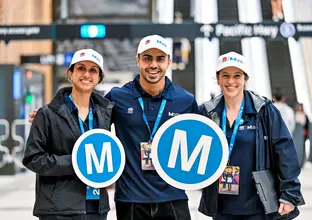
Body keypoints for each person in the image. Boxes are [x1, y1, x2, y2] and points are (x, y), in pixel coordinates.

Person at [29, 35, 199, 220]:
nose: (153, 65)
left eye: (160, 59)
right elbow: (82, 112)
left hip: (173, 197)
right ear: (138, 60)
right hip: (130, 198)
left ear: (169, 61)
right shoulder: (117, 98)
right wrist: (49, 113)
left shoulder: (186, 100)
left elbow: (205, 136)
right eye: (147, 58)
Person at [198, 51, 304, 220]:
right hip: (221, 205)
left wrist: (289, 193)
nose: (231, 81)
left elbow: (285, 151)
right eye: (225, 75)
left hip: (259, 205)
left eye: (237, 75)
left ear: (245, 79)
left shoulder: (263, 110)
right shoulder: (207, 112)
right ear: (217, 79)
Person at [23, 49, 113, 220]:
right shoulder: (48, 114)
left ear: (99, 78)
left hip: (96, 207)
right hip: (58, 209)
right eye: (81, 68)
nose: (86, 74)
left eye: (93, 70)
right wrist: (76, 162)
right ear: (70, 73)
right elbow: (32, 158)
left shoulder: (106, 113)